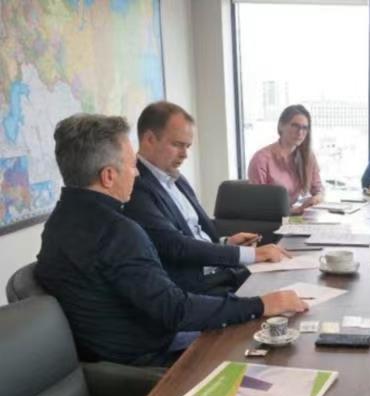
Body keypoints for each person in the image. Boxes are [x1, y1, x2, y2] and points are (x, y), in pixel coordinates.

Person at [35, 113, 308, 366]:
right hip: (154, 359)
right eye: (131, 165)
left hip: (108, 360)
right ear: (108, 176)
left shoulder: (56, 224)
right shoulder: (118, 232)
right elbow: (176, 310)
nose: (136, 173)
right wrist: (262, 305)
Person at [125, 101, 288, 295]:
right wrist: (251, 254)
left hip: (219, 272)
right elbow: (175, 246)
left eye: (187, 146)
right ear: (149, 139)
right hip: (195, 288)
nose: (185, 155)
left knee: (286, 276)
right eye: (177, 145)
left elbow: (194, 231)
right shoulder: (135, 187)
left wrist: (226, 243)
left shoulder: (176, 178)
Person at [247, 104, 324, 214]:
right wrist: (293, 211)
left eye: (304, 128)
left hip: (293, 217)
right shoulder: (261, 159)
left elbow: (318, 188)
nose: (300, 132)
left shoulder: (307, 156)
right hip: (271, 219)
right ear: (281, 126)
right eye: (295, 126)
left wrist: (317, 198)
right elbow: (258, 204)